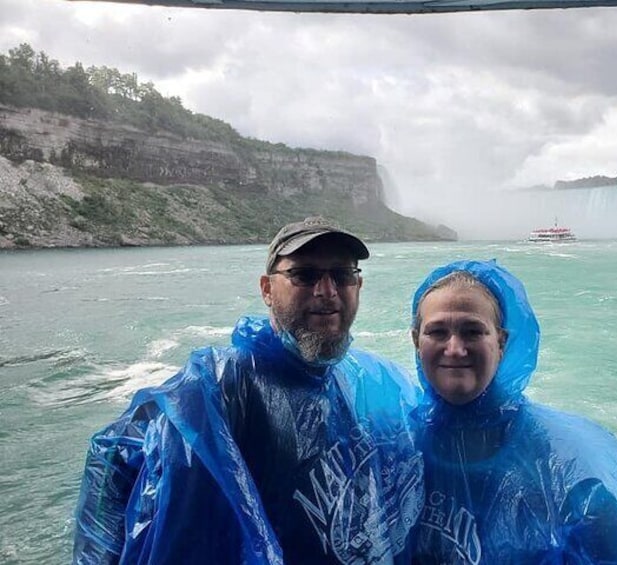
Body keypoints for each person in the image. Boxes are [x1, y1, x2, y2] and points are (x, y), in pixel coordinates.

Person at [73, 216, 424, 564]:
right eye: (304, 275)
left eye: (343, 274)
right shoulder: (223, 384)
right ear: (267, 290)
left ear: (357, 286)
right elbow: (114, 458)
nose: (327, 291)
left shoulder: (370, 378)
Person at [408, 259, 617, 564]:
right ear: (415, 340)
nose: (454, 348)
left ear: (502, 341)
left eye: (472, 330)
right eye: (437, 331)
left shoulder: (568, 461)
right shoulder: (399, 441)